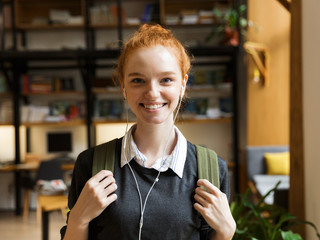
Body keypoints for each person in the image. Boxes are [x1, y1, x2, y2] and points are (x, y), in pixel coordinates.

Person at [61, 24, 236, 240]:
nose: (152, 93)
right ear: (123, 86)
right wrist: (78, 220)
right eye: (138, 80)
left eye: (166, 80)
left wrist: (225, 233)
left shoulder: (211, 171)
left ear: (182, 84)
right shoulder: (91, 165)